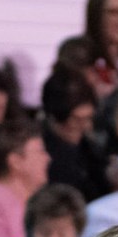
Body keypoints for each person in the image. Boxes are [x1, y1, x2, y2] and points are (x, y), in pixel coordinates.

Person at [42, 69, 107, 201]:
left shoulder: (88, 148)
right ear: (54, 117)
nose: (86, 126)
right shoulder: (42, 155)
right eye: (78, 120)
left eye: (89, 118)